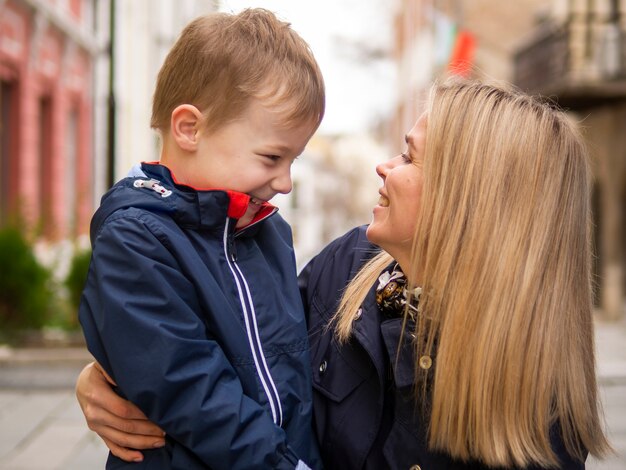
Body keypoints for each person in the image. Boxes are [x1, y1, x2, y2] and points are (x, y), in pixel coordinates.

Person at [77, 80, 612, 469]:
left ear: (469, 199)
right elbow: (238, 350)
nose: (384, 166)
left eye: (409, 157)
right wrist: (107, 371)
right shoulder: (346, 267)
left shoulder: (540, 405)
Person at [78, 8, 324, 470]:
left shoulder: (264, 231)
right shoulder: (135, 239)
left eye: (293, 160)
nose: (286, 182)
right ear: (189, 128)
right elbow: (193, 388)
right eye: (272, 157)